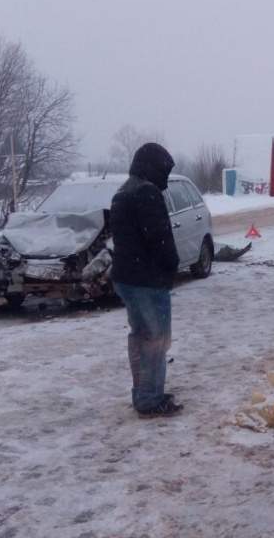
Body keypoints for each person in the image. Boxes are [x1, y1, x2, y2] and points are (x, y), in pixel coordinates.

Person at [110, 142, 183, 419]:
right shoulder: (147, 193)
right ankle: (151, 399)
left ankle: (142, 394)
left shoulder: (122, 192)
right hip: (148, 281)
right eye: (165, 170)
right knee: (156, 341)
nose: (165, 176)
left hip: (127, 278)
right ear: (154, 168)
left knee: (139, 337)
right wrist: (170, 266)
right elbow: (159, 238)